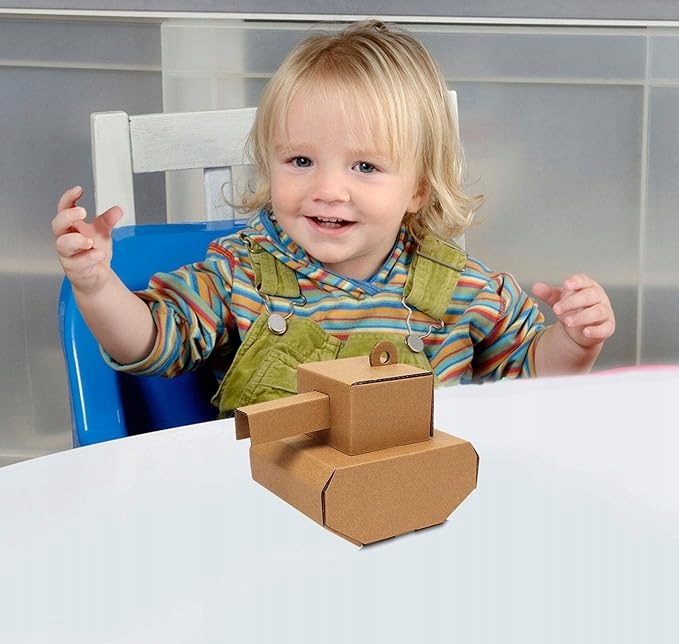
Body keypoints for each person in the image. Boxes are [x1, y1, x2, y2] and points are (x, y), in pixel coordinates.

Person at [52, 19, 615, 417]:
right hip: (271, 509)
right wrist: (96, 285)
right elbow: (151, 341)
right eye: (300, 161)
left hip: (421, 513)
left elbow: (530, 377)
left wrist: (575, 342)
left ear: (418, 188)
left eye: (365, 166)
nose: (327, 190)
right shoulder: (239, 273)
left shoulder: (461, 289)